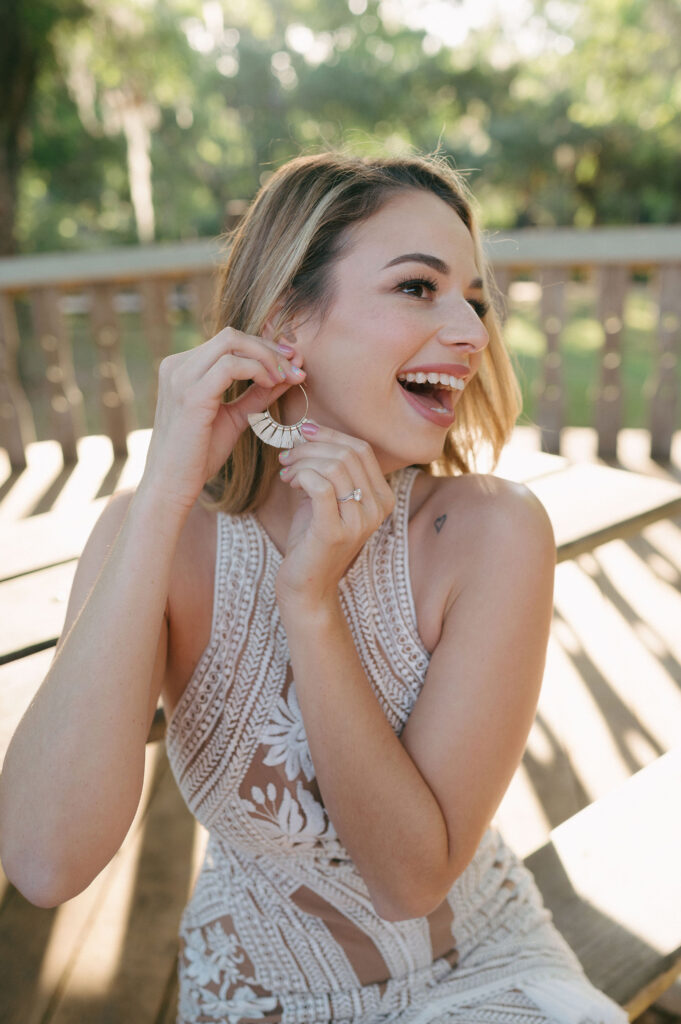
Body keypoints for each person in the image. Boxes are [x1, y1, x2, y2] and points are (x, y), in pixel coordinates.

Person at [0, 152, 627, 1024]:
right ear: (287, 318)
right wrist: (160, 500)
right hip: (255, 997)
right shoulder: (160, 534)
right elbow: (45, 862)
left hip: (480, 977)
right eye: (419, 288)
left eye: (474, 300)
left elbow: (409, 880)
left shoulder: (491, 533)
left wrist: (311, 604)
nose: (473, 332)